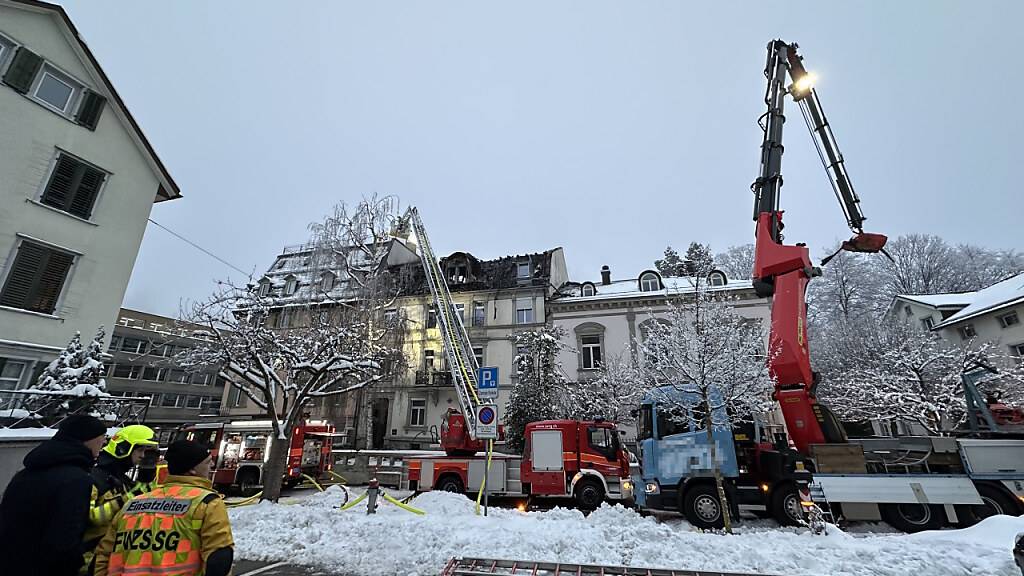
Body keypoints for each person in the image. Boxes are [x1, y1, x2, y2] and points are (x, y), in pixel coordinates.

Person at [94, 440, 234, 576]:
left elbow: (103, 554)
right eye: (208, 462)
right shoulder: (207, 503)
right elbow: (219, 558)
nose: (212, 465)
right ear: (192, 469)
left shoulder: (133, 503)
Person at [0, 414, 107, 576]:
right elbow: (64, 540)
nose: (103, 443)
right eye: (102, 438)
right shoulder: (77, 481)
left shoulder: (25, 473)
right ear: (88, 439)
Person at [82, 424, 160, 574]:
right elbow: (89, 517)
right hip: (89, 560)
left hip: (112, 557)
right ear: (124, 448)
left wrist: (148, 484)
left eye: (146, 451)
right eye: (140, 450)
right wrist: (128, 500)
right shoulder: (94, 478)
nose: (143, 456)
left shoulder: (122, 480)